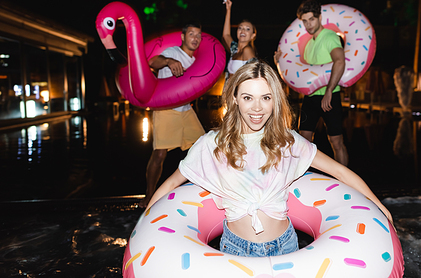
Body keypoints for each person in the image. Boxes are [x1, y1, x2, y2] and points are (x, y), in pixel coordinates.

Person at [145, 60, 393, 257]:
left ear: (275, 100)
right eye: (247, 97)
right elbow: (170, 184)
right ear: (234, 99)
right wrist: (144, 224)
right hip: (235, 248)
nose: (257, 108)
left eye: (266, 97)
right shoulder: (212, 144)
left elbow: (340, 172)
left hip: (285, 245)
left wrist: (380, 207)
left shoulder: (288, 140)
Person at [138, 22, 206, 208]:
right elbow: (152, 62)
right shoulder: (174, 52)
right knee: (159, 154)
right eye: (191, 34)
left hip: (186, 110)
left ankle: (198, 190)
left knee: (204, 147)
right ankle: (149, 196)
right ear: (183, 37)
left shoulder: (196, 61)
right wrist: (168, 61)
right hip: (166, 110)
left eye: (198, 35)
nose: (195, 38)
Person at [275, 0, 348, 166]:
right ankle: (305, 177)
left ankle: (345, 181)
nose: (308, 24)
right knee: (304, 140)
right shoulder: (308, 43)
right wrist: (280, 62)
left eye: (311, 19)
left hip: (330, 95)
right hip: (310, 97)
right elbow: (300, 72)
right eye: (305, 21)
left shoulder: (329, 37)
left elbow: (340, 61)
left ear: (319, 17)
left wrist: (329, 90)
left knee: (336, 141)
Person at [222, 0, 257, 78]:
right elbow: (226, 35)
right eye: (240, 28)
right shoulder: (235, 50)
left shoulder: (247, 50)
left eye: (247, 29)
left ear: (253, 35)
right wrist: (228, 10)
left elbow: (254, 73)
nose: (243, 31)